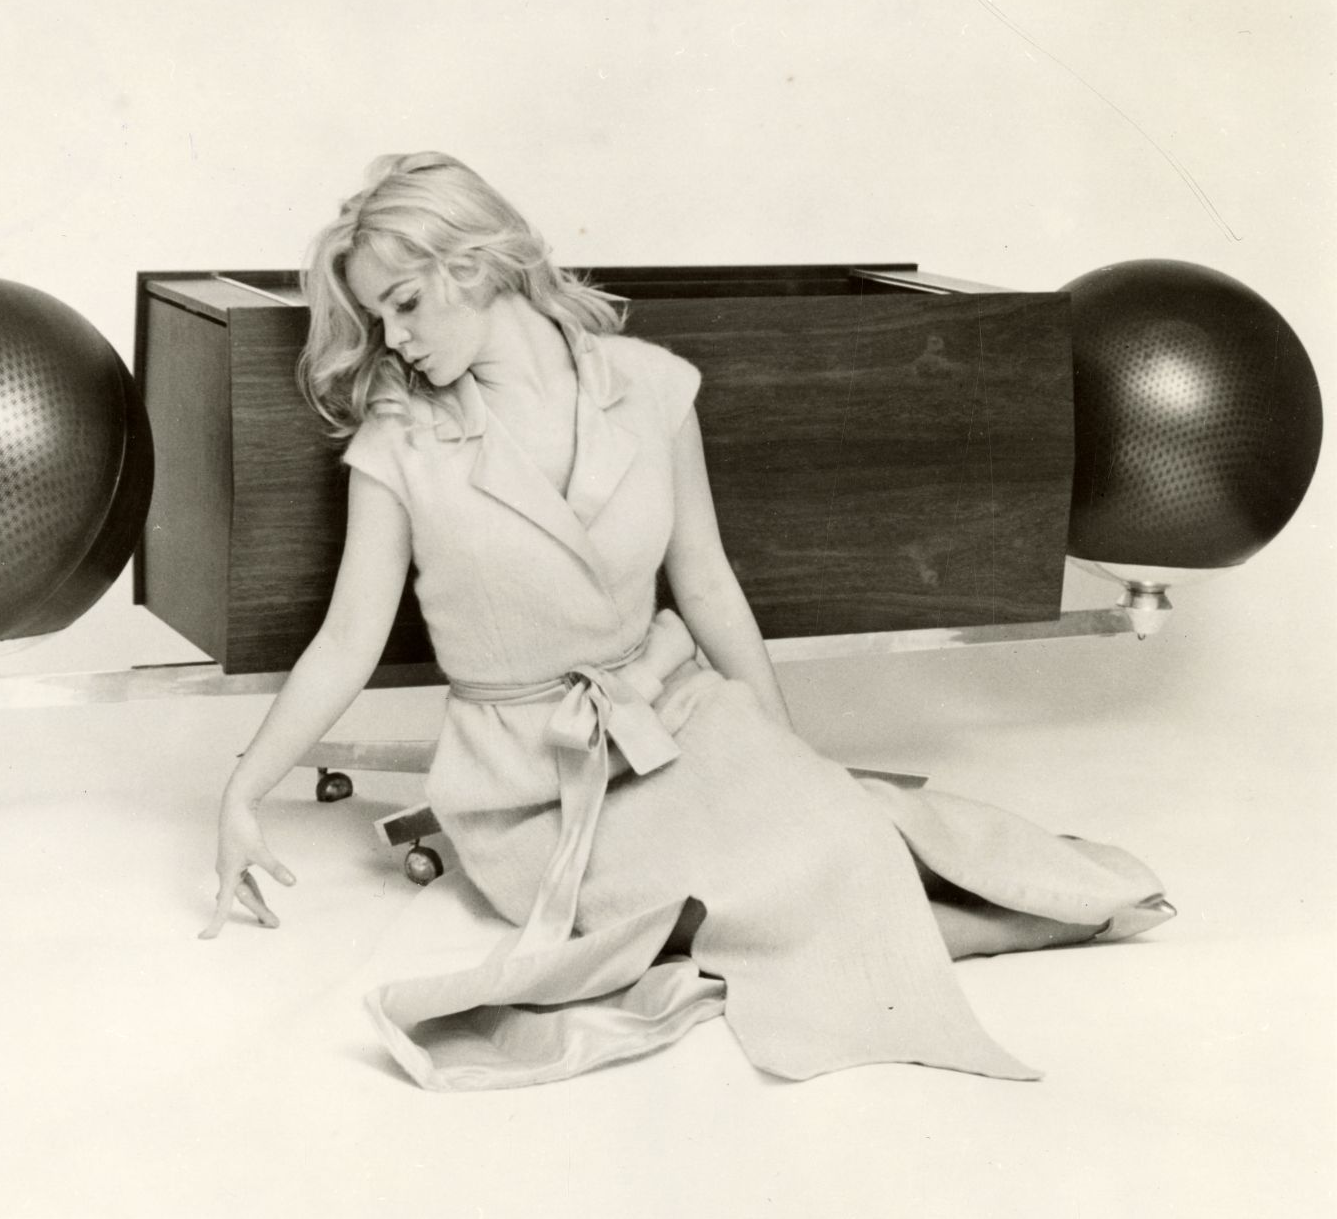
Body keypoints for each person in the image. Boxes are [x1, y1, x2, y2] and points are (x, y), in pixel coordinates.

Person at [198, 152, 1174, 1091]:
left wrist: (790, 754)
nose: (394, 339)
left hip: (677, 711)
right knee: (756, 903)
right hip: (530, 784)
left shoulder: (652, 386)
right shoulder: (398, 443)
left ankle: (1076, 900)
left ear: (479, 262)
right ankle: (1027, 922)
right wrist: (242, 789)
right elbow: (347, 639)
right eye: (376, 317)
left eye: (404, 302)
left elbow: (706, 587)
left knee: (854, 834)